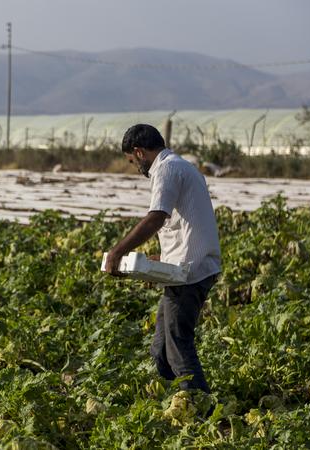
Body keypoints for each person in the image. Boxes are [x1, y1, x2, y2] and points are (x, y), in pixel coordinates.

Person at [104, 124, 221, 396]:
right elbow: (185, 223)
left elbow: (157, 217)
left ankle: (200, 405)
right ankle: (176, 400)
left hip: (191, 272)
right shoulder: (183, 166)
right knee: (160, 349)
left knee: (178, 345)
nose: (136, 168)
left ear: (139, 152)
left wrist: (117, 251)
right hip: (187, 267)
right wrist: (160, 261)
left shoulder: (166, 169)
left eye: (133, 162)